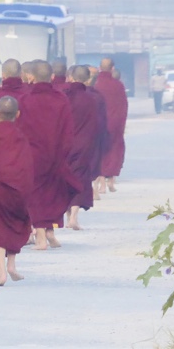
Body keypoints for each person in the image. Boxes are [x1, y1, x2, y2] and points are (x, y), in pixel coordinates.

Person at [17, 61, 80, 250]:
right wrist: (63, 153)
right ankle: (50, 232)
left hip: (32, 155)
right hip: (56, 154)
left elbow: (20, 129)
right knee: (52, 193)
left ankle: (42, 236)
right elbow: (68, 131)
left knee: (36, 195)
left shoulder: (25, 100)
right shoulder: (61, 99)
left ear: (31, 77)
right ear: (52, 77)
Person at [0, 97, 33, 287]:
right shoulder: (21, 137)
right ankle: (11, 265)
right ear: (17, 115)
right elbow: (27, 165)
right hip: (18, 189)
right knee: (14, 223)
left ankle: (2, 271)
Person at [65, 66, 104, 230]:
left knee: (65, 177)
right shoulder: (92, 99)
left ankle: (66, 214)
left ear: (71, 78)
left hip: (65, 144)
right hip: (84, 144)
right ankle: (73, 216)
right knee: (80, 177)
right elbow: (98, 125)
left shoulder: (63, 96)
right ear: (88, 80)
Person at [95, 58, 129, 193]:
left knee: (100, 152)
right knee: (115, 150)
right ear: (112, 69)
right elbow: (124, 106)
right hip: (115, 123)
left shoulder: (96, 85)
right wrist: (122, 124)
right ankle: (111, 181)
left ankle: (101, 183)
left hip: (100, 124)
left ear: (99, 68)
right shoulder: (118, 85)